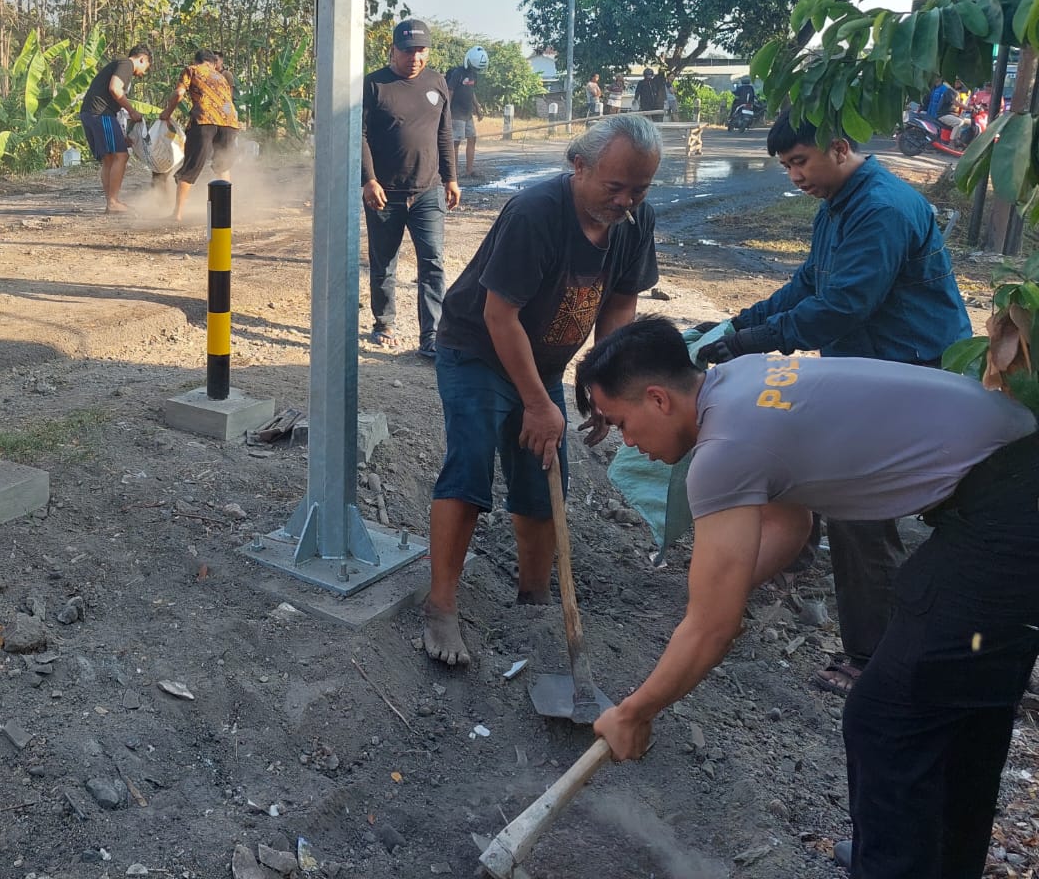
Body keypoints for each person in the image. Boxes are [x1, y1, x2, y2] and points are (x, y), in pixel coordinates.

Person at [576, 318, 1038, 879]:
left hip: (1009, 507)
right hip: (1017, 476)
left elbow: (711, 630)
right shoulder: (739, 381)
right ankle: (930, 860)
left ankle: (895, 864)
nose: (627, 442)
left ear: (657, 398)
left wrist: (634, 711)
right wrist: (717, 598)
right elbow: (790, 523)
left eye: (623, 423)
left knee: (886, 719)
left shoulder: (725, 449)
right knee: (961, 699)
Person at [696, 111, 972, 698]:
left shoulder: (882, 209)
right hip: (866, 370)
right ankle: (801, 569)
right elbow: (808, 284)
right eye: (785, 166)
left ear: (840, 146)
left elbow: (841, 306)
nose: (793, 176)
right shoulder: (840, 205)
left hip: (909, 373)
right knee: (815, 469)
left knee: (861, 513)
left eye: (800, 161)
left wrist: (747, 343)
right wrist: (736, 323)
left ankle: (878, 659)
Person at [421, 114, 661, 666]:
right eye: (615, 186)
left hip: (541, 360)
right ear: (579, 166)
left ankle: (533, 600)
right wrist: (537, 403)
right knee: (472, 461)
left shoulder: (635, 221)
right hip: (476, 350)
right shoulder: (535, 214)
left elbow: (621, 303)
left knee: (544, 470)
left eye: (639, 189)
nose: (626, 200)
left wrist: (604, 385)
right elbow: (499, 315)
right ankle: (441, 607)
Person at [361, 18, 461, 357]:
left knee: (432, 262)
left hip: (429, 191)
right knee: (384, 261)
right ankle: (384, 322)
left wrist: (451, 177)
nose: (415, 58)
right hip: (384, 193)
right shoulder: (374, 84)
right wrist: (368, 179)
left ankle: (431, 336)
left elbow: (444, 133)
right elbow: (358, 136)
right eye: (408, 51)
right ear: (393, 50)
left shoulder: (438, 82)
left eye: (421, 51)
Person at [161, 49, 240, 223]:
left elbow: (179, 93)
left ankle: (178, 214)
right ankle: (225, 212)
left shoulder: (192, 70)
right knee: (222, 165)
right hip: (230, 122)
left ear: (198, 61)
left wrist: (167, 113)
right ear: (212, 63)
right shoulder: (222, 77)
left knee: (192, 166)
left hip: (205, 120)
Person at [80, 45, 150, 212]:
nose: (144, 72)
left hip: (91, 113)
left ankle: (111, 203)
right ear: (142, 59)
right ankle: (113, 202)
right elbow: (115, 89)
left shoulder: (118, 64)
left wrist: (121, 134)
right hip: (101, 113)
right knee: (121, 156)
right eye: (147, 67)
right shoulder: (126, 64)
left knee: (109, 159)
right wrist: (132, 111)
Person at [446, 46, 488, 177]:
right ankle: (453, 173)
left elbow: (471, 92)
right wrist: (446, 110)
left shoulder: (473, 74)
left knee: (472, 138)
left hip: (468, 114)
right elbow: (450, 91)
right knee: (455, 143)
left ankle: (470, 170)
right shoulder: (458, 73)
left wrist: (478, 108)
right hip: (456, 113)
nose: (476, 70)